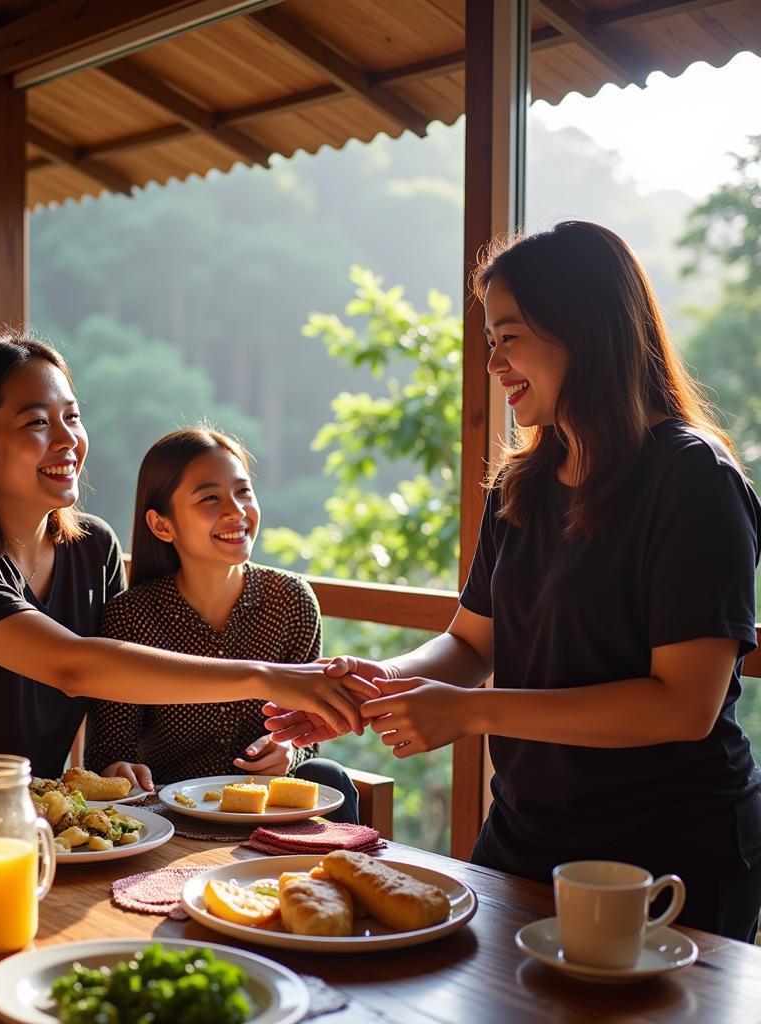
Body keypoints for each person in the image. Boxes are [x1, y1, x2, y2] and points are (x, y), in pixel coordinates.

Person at [267, 221, 761, 941]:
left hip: (668, 856)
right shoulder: (521, 484)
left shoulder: (692, 479)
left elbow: (682, 705)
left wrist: (473, 713)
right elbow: (469, 645)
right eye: (490, 340)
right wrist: (377, 684)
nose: (493, 361)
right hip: (526, 840)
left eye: (510, 335)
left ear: (584, 329)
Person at [0, 335, 374, 812]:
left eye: (71, 416)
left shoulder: (93, 548)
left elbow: (120, 683)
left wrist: (115, 768)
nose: (67, 440)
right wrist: (265, 675)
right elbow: (76, 667)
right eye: (36, 423)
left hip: (31, 829)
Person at [82, 428, 360, 823]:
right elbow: (109, 750)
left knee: (326, 774)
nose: (236, 510)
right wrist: (119, 771)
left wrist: (288, 752)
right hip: (168, 814)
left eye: (243, 492)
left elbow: (306, 731)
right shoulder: (131, 615)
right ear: (162, 525)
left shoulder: (293, 601)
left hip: (266, 809)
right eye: (210, 497)